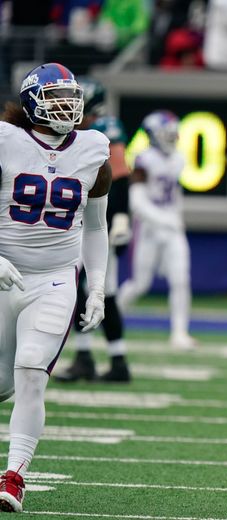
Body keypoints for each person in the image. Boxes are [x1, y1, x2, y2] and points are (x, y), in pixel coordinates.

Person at [0, 63, 111, 512]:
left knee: (31, 370)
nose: (66, 105)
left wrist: (98, 286)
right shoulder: (6, 141)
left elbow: (96, 225)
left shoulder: (93, 147)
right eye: (55, 96)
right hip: (3, 272)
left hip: (56, 277)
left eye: (71, 96)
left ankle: (13, 477)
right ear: (30, 103)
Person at [55, 77, 133, 383]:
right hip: (77, 219)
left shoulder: (105, 128)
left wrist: (122, 217)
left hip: (101, 221)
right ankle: (89, 356)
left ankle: (115, 360)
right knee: (77, 288)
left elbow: (121, 176)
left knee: (103, 290)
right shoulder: (68, 130)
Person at [116, 110, 196, 350]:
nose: (172, 138)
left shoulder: (178, 158)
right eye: (166, 134)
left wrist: (175, 219)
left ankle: (179, 333)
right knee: (140, 284)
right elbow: (137, 202)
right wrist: (165, 221)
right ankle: (111, 316)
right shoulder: (144, 159)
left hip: (172, 228)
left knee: (181, 280)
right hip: (149, 229)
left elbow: (175, 194)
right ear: (153, 135)